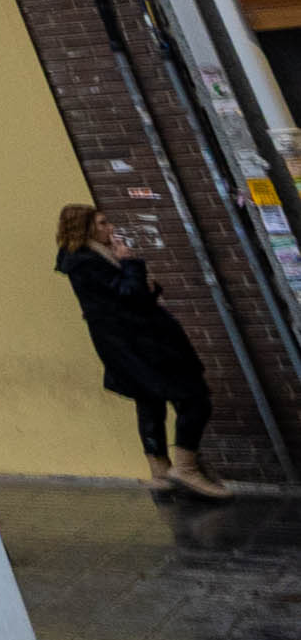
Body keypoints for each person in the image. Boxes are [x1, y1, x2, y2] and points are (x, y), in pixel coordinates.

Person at [57, 206, 234, 500]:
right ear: (86, 228)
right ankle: (186, 468)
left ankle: (161, 472)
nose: (110, 228)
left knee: (150, 400)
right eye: (102, 223)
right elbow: (131, 296)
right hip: (141, 345)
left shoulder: (94, 257)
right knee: (194, 398)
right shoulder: (86, 262)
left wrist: (134, 273)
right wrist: (130, 263)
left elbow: (135, 295)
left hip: (132, 344)